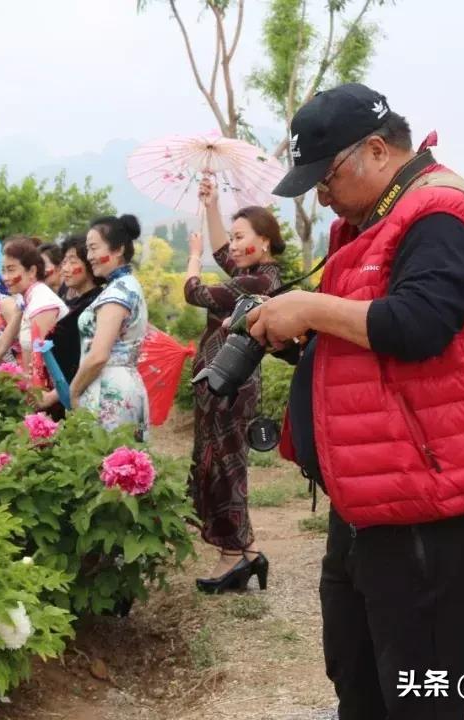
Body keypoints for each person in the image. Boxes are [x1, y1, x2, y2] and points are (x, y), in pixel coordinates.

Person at [249, 83, 464, 720]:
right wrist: (300, 337)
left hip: (431, 494)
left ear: (376, 150)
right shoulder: (368, 221)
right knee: (356, 663)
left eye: (326, 178)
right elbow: (366, 347)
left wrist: (311, 307)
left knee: (419, 684)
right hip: (377, 490)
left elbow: (421, 325)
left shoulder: (439, 212)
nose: (321, 194)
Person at [184, 199, 284, 595]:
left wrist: (192, 257)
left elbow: (194, 292)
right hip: (220, 383)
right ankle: (248, 551)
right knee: (218, 466)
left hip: (232, 386)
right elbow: (223, 251)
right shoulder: (251, 272)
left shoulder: (259, 282)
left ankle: (234, 554)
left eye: (243, 237)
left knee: (227, 468)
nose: (234, 246)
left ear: (265, 240)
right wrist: (211, 204)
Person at [42, 215, 148, 440]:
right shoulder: (125, 285)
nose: (89, 257)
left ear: (118, 249)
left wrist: (72, 392)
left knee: (107, 461)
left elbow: (99, 355)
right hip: (117, 383)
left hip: (110, 389)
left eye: (93, 248)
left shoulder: (117, 293)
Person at [1, 237, 69, 387]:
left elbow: (39, 363)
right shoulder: (30, 299)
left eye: (11, 270)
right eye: (3, 270)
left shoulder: (42, 302)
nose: (5, 277)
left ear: (32, 271)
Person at [53, 233, 104, 383]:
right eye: (64, 262)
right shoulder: (78, 303)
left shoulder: (96, 304)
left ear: (89, 263)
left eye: (72, 262)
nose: (65, 269)